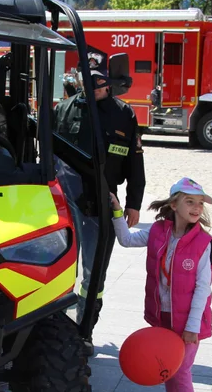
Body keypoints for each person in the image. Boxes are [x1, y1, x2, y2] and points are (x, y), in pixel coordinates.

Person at [110, 177, 212, 392]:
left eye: (200, 203)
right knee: (170, 372)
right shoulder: (159, 231)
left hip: (188, 323)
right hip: (163, 319)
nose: (196, 208)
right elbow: (125, 239)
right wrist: (116, 212)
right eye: (190, 202)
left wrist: (192, 327)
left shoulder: (204, 242)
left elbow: (203, 288)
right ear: (174, 204)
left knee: (181, 373)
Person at [54, 66, 146, 353]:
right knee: (60, 265)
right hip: (64, 202)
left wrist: (133, 203)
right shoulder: (65, 108)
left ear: (108, 85)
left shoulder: (123, 114)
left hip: (101, 203)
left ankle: (85, 329)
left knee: (95, 271)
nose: (93, 89)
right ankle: (55, 330)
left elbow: (135, 161)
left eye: (99, 84)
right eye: (87, 83)